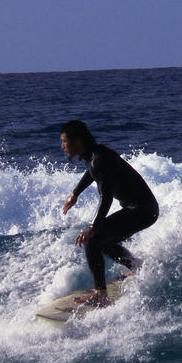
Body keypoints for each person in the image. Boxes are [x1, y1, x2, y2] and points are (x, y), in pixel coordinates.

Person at [60, 120, 159, 307]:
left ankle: (101, 295)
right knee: (103, 242)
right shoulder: (96, 156)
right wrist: (75, 193)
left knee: (93, 239)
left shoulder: (99, 159)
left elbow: (106, 198)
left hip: (141, 210)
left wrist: (92, 228)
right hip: (144, 209)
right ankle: (138, 267)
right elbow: (91, 172)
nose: (63, 146)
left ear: (78, 141)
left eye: (65, 141)